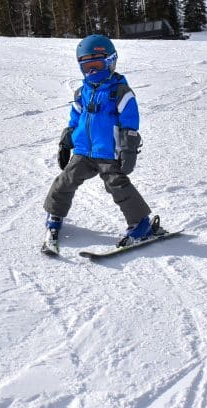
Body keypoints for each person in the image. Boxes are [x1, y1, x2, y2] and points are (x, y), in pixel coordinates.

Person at [43, 34, 155, 251]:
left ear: (111, 61)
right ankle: (55, 214)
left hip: (108, 152)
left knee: (118, 186)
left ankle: (141, 223)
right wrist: (66, 141)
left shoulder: (120, 92)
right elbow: (75, 119)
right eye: (87, 68)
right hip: (84, 151)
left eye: (96, 65)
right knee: (64, 181)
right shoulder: (81, 92)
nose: (92, 72)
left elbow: (129, 124)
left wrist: (128, 150)